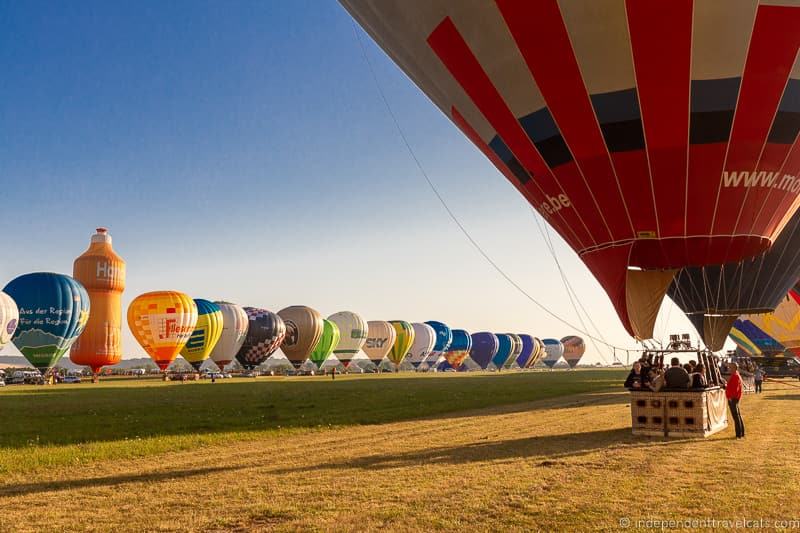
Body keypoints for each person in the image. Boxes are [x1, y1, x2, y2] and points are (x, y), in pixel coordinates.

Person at [726, 362, 745, 438]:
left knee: (736, 417)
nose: (729, 369)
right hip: (735, 398)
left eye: (730, 367)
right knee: (738, 416)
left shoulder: (735, 376)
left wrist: (730, 397)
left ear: (734, 368)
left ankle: (738, 434)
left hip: (733, 398)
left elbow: (734, 389)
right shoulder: (736, 375)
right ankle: (741, 433)